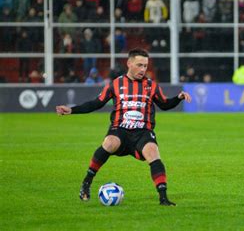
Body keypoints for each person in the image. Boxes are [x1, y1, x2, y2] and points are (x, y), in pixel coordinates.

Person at [56, 48, 192, 206]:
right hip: (120, 130)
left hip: (142, 132)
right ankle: (87, 182)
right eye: (139, 65)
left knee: (153, 152)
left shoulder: (151, 86)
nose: (143, 69)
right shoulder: (116, 84)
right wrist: (72, 110)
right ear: (129, 63)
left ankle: (163, 198)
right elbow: (95, 103)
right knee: (109, 143)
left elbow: (165, 104)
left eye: (145, 66)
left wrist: (178, 98)